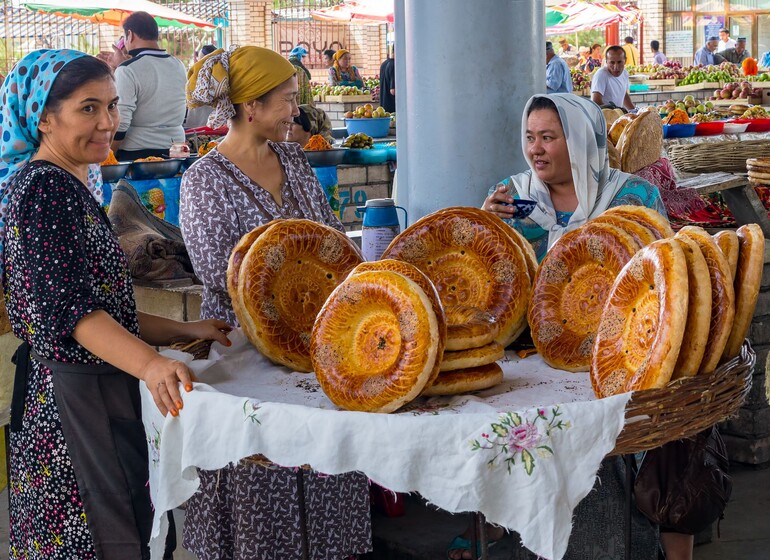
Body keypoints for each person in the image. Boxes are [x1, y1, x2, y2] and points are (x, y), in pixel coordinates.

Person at [0, 49, 230, 560]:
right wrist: (151, 365)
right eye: (88, 109)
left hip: (94, 390)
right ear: (43, 118)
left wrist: (182, 332)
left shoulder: (71, 183)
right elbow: (73, 314)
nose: (107, 123)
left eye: (112, 105)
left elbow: (106, 306)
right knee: (107, 535)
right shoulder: (44, 191)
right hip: (74, 405)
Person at [444, 94, 666, 560]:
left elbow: (658, 277)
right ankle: (521, 526)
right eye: (529, 138)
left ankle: (611, 531)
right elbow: (491, 284)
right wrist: (489, 228)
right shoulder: (513, 196)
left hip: (615, 353)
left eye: (549, 137)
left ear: (580, 141)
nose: (536, 149)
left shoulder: (632, 199)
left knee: (603, 461)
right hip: (531, 357)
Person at [180, 45, 372, 559]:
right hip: (242, 350)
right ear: (250, 108)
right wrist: (292, 289)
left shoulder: (294, 158)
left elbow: (329, 239)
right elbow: (219, 272)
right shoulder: (205, 180)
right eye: (286, 100)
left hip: (316, 344)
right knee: (260, 471)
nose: (296, 110)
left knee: (326, 454)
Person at [111, 11, 187, 160]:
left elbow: (122, 121)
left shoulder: (127, 69)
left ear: (130, 35)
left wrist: (109, 155)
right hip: (178, 148)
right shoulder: (178, 65)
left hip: (140, 153)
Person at [591, 45, 634, 111]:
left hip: (617, 117)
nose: (616, 67)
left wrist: (633, 110)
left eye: (619, 62)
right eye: (612, 62)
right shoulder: (601, 75)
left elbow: (623, 93)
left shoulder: (625, 73)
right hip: (603, 118)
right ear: (606, 62)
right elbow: (596, 102)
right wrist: (615, 111)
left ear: (625, 60)